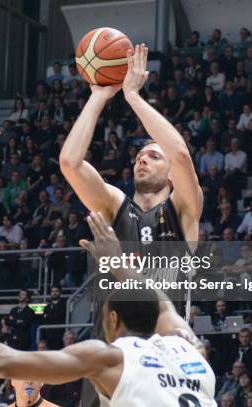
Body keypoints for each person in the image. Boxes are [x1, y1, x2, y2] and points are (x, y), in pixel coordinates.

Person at [0, 211, 216, 406]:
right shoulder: (189, 346)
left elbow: (5, 363)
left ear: (113, 318)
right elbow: (164, 306)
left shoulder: (111, 357)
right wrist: (118, 262)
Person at [60, 44, 202, 265]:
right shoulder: (115, 204)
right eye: (139, 157)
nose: (142, 159)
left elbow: (180, 155)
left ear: (172, 174)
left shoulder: (183, 208)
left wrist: (132, 96)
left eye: (154, 157)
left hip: (168, 301)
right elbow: (70, 163)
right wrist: (99, 95)